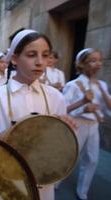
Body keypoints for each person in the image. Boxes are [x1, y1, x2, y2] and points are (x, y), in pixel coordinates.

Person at [0, 29, 76, 200]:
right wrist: (4, 135)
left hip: (42, 173)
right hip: (8, 174)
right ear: (14, 59)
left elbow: (60, 142)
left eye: (45, 55)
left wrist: (63, 127)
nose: (39, 62)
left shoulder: (55, 96)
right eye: (31, 55)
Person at [63, 48, 111, 200]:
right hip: (77, 123)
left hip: (94, 125)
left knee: (92, 159)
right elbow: (63, 108)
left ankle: (82, 191)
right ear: (82, 65)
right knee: (69, 156)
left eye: (99, 60)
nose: (98, 64)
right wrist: (83, 106)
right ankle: (55, 180)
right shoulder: (73, 85)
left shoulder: (102, 85)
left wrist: (102, 91)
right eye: (92, 60)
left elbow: (109, 107)